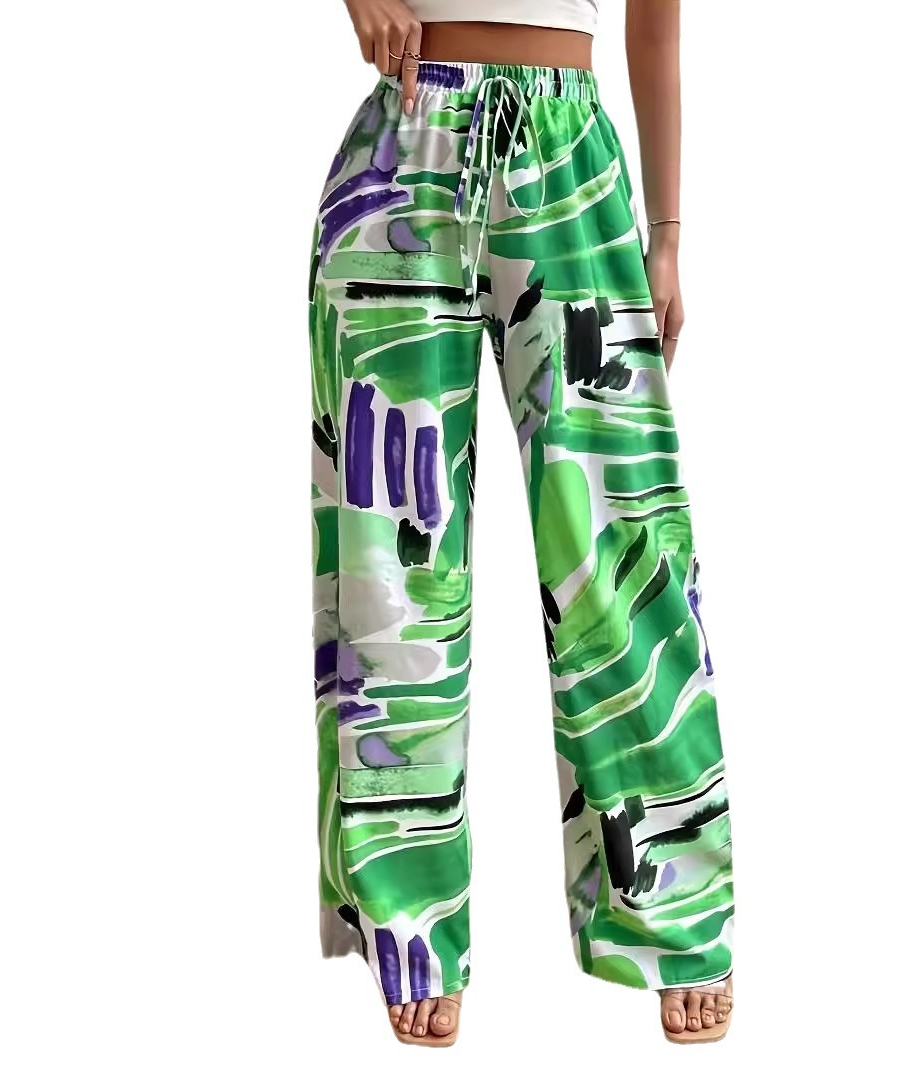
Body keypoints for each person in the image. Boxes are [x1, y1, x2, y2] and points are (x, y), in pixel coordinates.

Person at [311, 0, 734, 1047]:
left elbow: (655, 21)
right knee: (392, 559)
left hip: (568, 158)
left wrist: (668, 234)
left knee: (620, 550)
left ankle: (672, 913)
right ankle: (411, 925)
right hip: (404, 149)